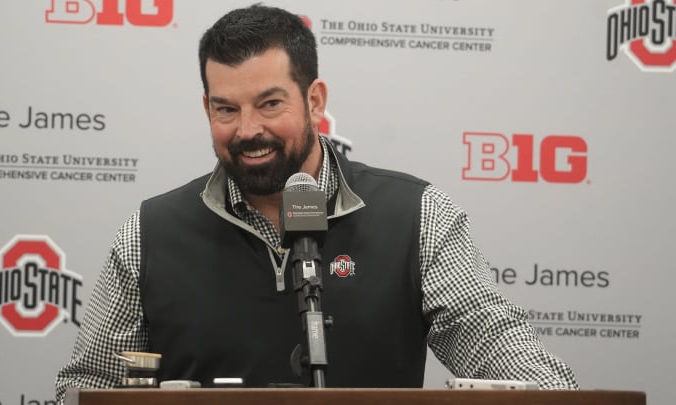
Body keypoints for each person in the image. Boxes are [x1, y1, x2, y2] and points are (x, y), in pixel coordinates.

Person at [55, 4, 577, 402]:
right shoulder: (148, 234)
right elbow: (83, 390)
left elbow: (520, 368)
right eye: (225, 109)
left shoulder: (419, 218)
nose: (247, 130)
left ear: (315, 101)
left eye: (270, 103)